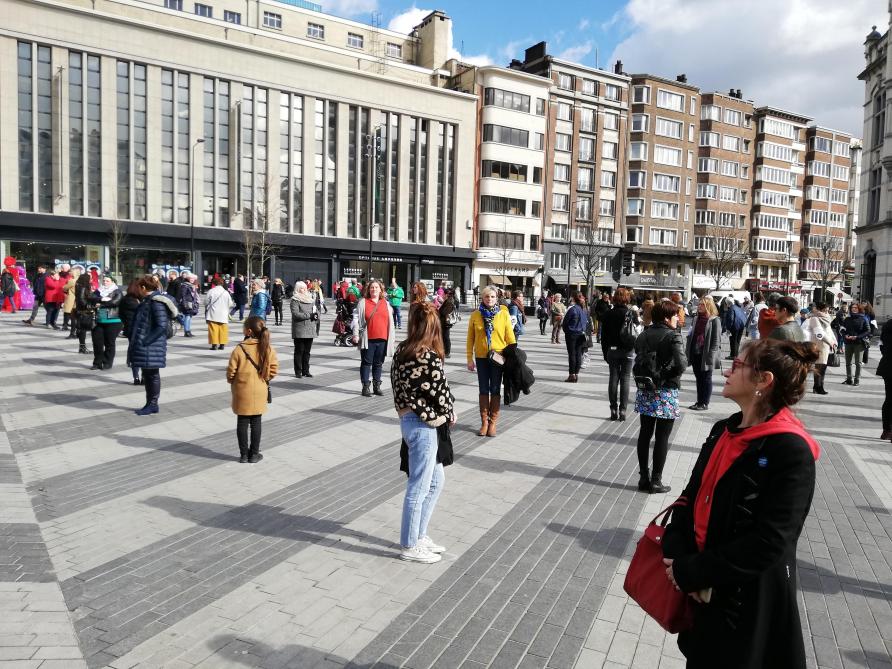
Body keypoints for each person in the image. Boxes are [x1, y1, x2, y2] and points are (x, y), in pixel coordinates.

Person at [661, 339, 821, 669]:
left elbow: (771, 540)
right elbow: (690, 496)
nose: (727, 371)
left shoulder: (789, 449)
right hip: (704, 600)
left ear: (764, 381)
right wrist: (677, 554)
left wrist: (693, 571)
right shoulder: (723, 431)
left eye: (738, 366)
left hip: (746, 606)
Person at [391, 302, 456, 564]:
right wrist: (450, 410)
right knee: (419, 486)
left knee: (436, 480)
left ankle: (419, 535)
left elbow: (399, 388)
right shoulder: (426, 355)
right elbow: (440, 391)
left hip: (410, 420)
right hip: (424, 424)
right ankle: (409, 544)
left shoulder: (402, 351)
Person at [633, 300, 687, 494]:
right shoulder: (674, 336)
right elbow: (682, 364)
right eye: (675, 316)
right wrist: (663, 375)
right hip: (666, 390)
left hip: (646, 389)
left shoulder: (643, 334)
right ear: (666, 317)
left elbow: (639, 357)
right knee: (662, 437)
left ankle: (643, 478)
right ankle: (656, 481)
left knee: (645, 434)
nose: (678, 320)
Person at [226, 316, 278, 463]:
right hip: (260, 389)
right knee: (256, 422)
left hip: (242, 390)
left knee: (242, 422)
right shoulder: (267, 348)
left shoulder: (239, 349)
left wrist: (233, 381)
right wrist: (265, 377)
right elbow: (274, 369)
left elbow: (231, 371)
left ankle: (243, 455)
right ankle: (254, 455)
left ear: (248, 331)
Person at [467, 286, 516, 437]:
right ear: (483, 298)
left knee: (495, 389)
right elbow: (470, 338)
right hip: (481, 357)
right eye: (487, 296)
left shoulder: (503, 314)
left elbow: (510, 338)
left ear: (497, 298)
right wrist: (469, 358)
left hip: (498, 358)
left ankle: (493, 423)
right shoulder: (475, 315)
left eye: (493, 297)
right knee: (483, 389)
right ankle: (484, 423)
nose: (490, 299)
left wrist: (513, 357)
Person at [127, 276, 175, 415]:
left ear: (143, 288)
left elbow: (161, 326)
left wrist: (144, 341)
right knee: (149, 375)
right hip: (149, 345)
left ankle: (152, 404)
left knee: (152, 375)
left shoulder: (156, 302)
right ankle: (150, 404)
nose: (137, 290)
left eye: (138, 287)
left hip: (151, 346)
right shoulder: (148, 301)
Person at [600, 288, 639, 421]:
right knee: (626, 379)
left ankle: (613, 409)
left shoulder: (608, 314)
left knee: (613, 378)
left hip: (612, 349)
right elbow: (637, 331)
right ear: (627, 298)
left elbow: (603, 336)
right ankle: (623, 410)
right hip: (628, 349)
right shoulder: (632, 313)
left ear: (614, 297)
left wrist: (605, 352)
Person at [351, 280, 395, 397]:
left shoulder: (386, 303)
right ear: (368, 289)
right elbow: (356, 320)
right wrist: (355, 334)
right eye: (372, 287)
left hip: (383, 338)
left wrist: (392, 338)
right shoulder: (363, 303)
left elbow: (391, 322)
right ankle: (365, 386)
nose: (374, 289)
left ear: (381, 290)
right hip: (368, 338)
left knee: (378, 364)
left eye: (376, 287)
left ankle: (377, 386)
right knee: (366, 363)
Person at [685, 296, 722, 412]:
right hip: (695, 352)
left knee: (706, 378)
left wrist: (711, 355)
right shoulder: (696, 318)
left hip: (706, 354)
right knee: (699, 378)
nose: (699, 306)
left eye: (702, 304)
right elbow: (691, 333)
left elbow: (716, 340)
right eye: (699, 304)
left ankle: (704, 402)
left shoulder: (714, 320)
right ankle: (699, 401)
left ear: (708, 306)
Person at [87, 276, 123, 370]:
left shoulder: (117, 291)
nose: (105, 282)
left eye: (107, 281)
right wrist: (101, 299)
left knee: (109, 343)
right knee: (97, 342)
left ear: (112, 282)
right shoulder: (99, 290)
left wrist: (101, 304)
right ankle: (97, 363)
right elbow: (91, 297)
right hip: (98, 320)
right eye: (104, 280)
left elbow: (115, 302)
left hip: (113, 320)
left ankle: (107, 362)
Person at [802, 302, 836, 395]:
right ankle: (818, 386)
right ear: (821, 309)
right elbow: (819, 333)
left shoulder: (826, 318)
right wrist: (830, 342)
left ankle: (819, 386)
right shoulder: (814, 318)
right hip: (819, 344)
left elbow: (829, 331)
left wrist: (834, 341)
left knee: (823, 367)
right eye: (826, 309)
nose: (827, 311)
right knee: (819, 367)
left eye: (828, 309)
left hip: (826, 345)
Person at [290, 280, 318, 378]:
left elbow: (316, 311)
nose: (304, 289)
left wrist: (316, 315)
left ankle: (306, 371)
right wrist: (309, 315)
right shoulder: (295, 300)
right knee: (299, 351)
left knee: (307, 352)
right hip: (300, 329)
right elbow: (296, 314)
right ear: (298, 289)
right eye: (302, 288)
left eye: (305, 287)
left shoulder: (310, 299)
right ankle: (298, 371)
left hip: (310, 328)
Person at [562, 291, 589, 383]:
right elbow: (586, 322)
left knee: (572, 354)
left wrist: (567, 330)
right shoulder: (584, 309)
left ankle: (572, 374)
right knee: (578, 354)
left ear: (573, 298)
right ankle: (576, 374)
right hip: (581, 334)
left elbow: (565, 322)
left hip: (572, 334)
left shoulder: (573, 309)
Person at [120, 279, 143, 385]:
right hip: (134, 330)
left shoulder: (136, 299)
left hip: (132, 329)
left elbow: (121, 314)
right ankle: (137, 377)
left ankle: (139, 377)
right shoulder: (130, 300)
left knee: (138, 353)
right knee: (137, 353)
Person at [841, 302, 870, 386]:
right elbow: (842, 329)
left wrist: (857, 337)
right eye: (852, 307)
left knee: (858, 362)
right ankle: (849, 379)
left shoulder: (864, 318)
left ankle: (857, 379)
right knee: (848, 362)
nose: (854, 309)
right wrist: (845, 335)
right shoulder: (847, 319)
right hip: (848, 342)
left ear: (859, 309)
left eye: (856, 308)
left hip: (859, 343)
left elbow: (868, 331)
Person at [205, 277, 233, 351]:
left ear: (214, 283)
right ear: (222, 283)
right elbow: (230, 303)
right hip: (223, 313)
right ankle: (222, 345)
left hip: (213, 313)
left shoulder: (211, 291)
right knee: (223, 329)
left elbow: (206, 302)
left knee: (213, 329)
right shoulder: (226, 292)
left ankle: (214, 345)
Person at [876, 319, 892, 440]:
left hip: (887, 366)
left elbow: (881, 346)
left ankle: (887, 430)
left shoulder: (888, 325)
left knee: (889, 399)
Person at [73, 272, 94, 355]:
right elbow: (82, 300)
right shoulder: (83, 287)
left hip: (79, 310)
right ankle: (82, 348)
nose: (91, 279)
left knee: (82, 329)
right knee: (83, 329)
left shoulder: (79, 286)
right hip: (83, 311)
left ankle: (82, 347)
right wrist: (89, 306)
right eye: (90, 278)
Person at [438, 288, 457, 358]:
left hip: (446, 323)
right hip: (444, 322)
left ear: (447, 294)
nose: (443, 295)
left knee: (446, 337)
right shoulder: (447, 301)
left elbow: (444, 312)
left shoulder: (449, 302)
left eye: (444, 294)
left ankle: (447, 352)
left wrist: (438, 310)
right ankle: (444, 351)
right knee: (444, 337)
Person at [62, 268, 79, 336]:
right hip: (77, 299)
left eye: (71, 272)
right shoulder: (80, 280)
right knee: (75, 314)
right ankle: (76, 329)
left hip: (71, 298)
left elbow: (65, 287)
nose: (70, 273)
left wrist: (64, 287)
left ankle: (65, 325)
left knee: (68, 312)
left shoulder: (72, 280)